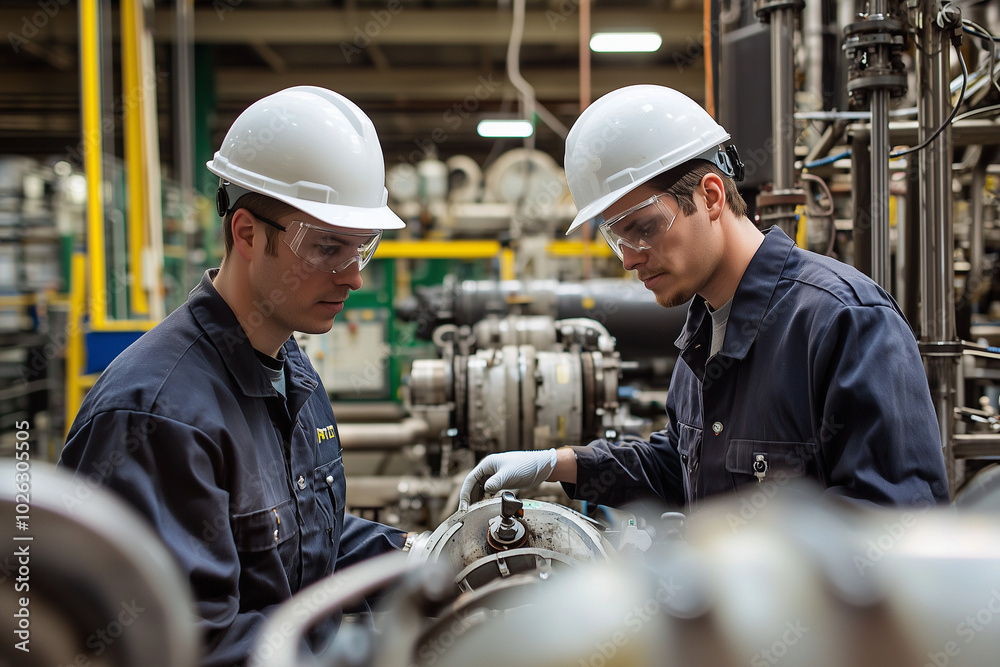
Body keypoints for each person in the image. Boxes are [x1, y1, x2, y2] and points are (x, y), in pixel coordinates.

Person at [460, 84, 950, 512]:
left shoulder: (842, 322)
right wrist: (558, 464)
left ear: (712, 197)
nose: (630, 260)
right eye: (618, 239)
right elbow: (681, 466)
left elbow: (898, 519)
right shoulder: (702, 332)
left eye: (644, 229)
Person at [60, 86, 411, 666]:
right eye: (326, 247)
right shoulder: (159, 417)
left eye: (362, 248)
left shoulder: (287, 366)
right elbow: (187, 645)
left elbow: (301, 537)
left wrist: (427, 554)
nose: (353, 278)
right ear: (245, 232)